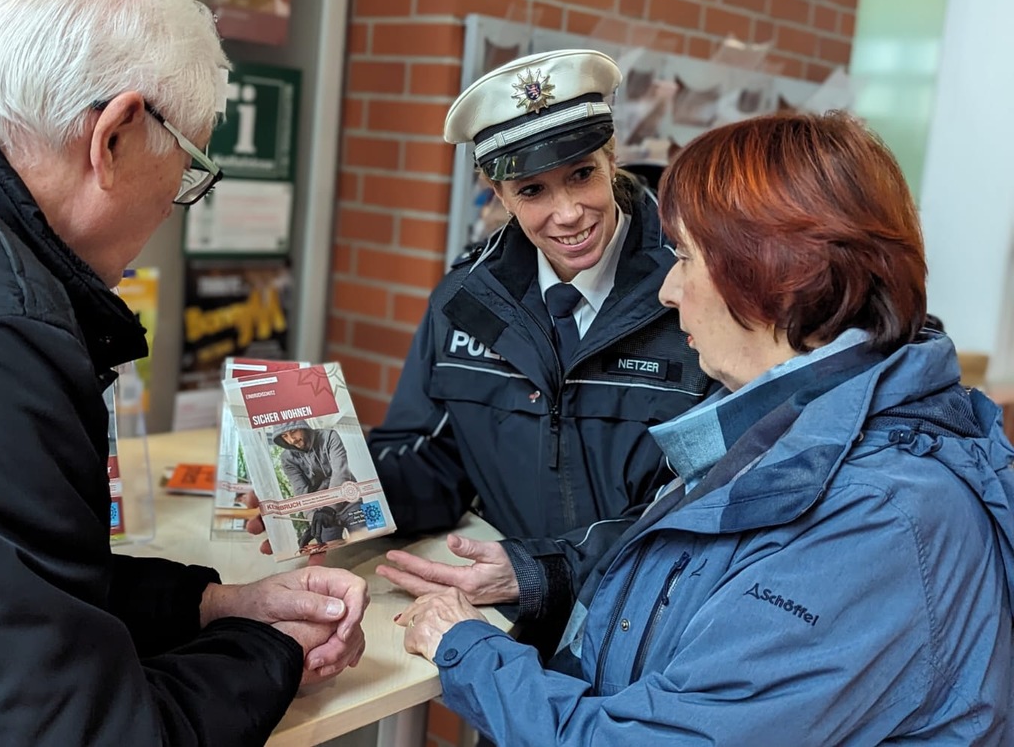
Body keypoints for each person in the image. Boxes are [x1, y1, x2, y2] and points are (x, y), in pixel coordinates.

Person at [0, 0, 367, 747]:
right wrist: (270, 648)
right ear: (114, 136)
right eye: (186, 173)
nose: (176, 207)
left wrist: (205, 606)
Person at [387, 112, 1014, 744]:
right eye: (533, 191)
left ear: (774, 272)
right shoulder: (780, 432)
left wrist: (467, 648)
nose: (667, 289)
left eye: (685, 255)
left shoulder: (873, 518)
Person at [367, 49, 710, 602]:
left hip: (643, 624)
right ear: (498, 193)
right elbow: (433, 462)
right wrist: (328, 495)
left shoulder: (697, 291)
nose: (569, 212)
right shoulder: (465, 302)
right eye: (532, 190)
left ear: (611, 160)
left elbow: (702, 502)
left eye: (581, 175)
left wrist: (541, 571)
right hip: (505, 623)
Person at [272, 421, 368, 549]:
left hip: (350, 501)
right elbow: (301, 491)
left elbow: (341, 473)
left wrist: (329, 508)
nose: (292, 440)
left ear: (302, 427)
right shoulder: (287, 459)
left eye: (293, 432)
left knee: (367, 542)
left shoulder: (330, 436)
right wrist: (314, 521)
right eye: (285, 436)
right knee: (331, 552)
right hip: (320, 511)